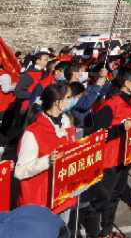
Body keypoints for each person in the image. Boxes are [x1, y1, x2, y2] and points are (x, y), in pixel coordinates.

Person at [83, 67, 131, 238]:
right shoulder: (111, 104)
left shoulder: (130, 101)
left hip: (124, 157)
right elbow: (97, 133)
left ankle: (106, 230)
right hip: (108, 161)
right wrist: (120, 128)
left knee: (115, 195)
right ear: (126, 83)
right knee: (101, 200)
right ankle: (94, 233)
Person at [14, 84, 77, 221]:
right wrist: (47, 161)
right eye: (68, 97)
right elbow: (20, 171)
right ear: (57, 102)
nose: (72, 100)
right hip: (41, 203)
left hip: (63, 195)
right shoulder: (33, 132)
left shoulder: (66, 123)